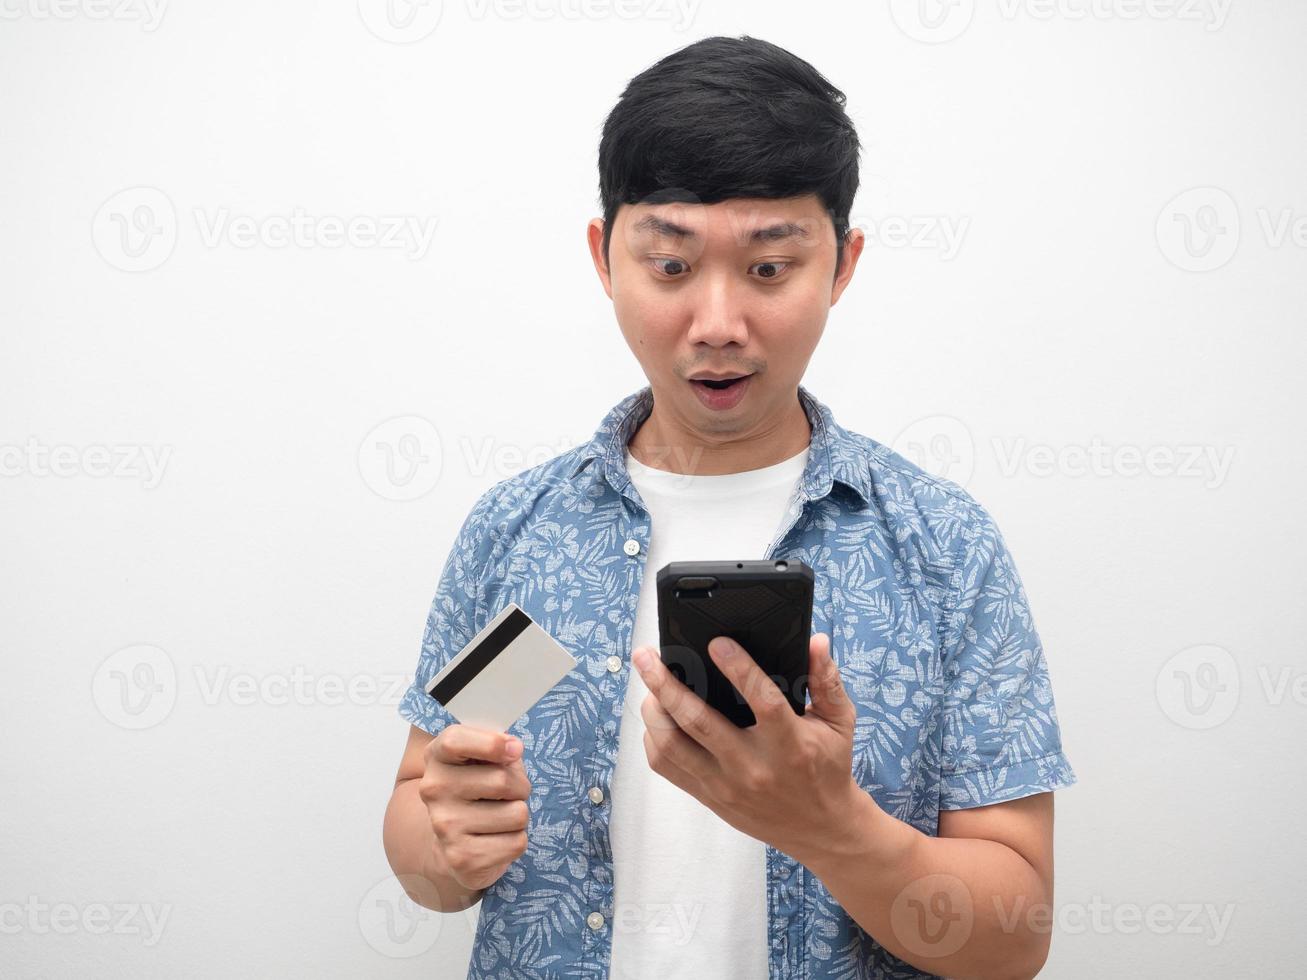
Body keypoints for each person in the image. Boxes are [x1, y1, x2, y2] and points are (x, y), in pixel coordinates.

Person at [382, 34, 1076, 980]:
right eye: (669, 266)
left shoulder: (941, 546)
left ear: (841, 265)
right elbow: (421, 830)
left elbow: (1013, 939)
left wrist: (833, 830)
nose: (716, 323)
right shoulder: (517, 533)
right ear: (604, 257)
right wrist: (444, 848)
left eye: (768, 268)